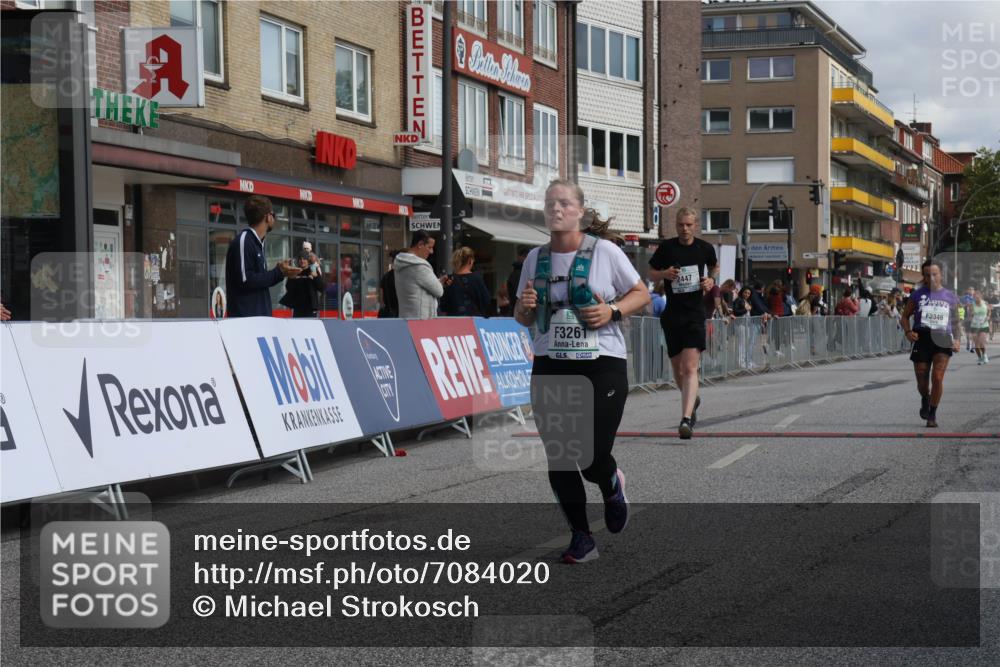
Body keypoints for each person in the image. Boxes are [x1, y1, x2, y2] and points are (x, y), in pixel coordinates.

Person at [515, 180, 650, 564]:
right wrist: (525, 306)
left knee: (589, 453)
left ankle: (611, 485)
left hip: (602, 364)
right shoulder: (534, 258)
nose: (556, 210)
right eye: (550, 204)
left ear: (579, 211)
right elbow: (523, 317)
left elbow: (640, 292)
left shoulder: (605, 252)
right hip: (550, 363)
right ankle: (582, 538)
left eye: (565, 203)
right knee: (558, 454)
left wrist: (613, 311)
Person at [648, 207, 719, 440]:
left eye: (689, 225)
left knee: (689, 368)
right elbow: (650, 273)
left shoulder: (704, 248)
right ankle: (693, 399)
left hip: (695, 315)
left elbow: (714, 265)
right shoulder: (666, 248)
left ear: (695, 225)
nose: (684, 229)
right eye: (681, 225)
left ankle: (686, 419)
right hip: (672, 315)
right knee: (677, 369)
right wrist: (664, 274)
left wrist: (710, 280)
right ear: (676, 225)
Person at [900, 259, 961, 428]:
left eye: (935, 274)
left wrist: (957, 340)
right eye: (927, 275)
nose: (931, 278)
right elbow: (904, 316)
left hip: (942, 338)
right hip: (922, 337)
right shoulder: (917, 295)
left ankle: (932, 414)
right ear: (924, 276)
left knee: (938, 377)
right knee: (922, 381)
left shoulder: (950, 296)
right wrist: (908, 332)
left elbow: (956, 322)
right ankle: (925, 398)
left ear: (941, 274)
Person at [225, 195, 300, 317]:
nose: (274, 219)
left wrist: (281, 273)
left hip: (259, 319)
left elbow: (258, 280)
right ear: (268, 217)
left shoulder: (257, 243)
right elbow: (246, 280)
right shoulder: (244, 241)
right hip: (246, 321)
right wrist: (278, 272)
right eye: (274, 215)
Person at [394, 231, 448, 319]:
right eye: (429, 247)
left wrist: (438, 281)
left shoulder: (402, 262)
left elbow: (418, 283)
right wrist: (439, 284)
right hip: (421, 319)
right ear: (420, 244)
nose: (431, 252)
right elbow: (439, 291)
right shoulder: (419, 266)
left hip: (406, 317)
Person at [440, 246, 491, 317]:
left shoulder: (449, 279)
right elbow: (486, 300)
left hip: (454, 321)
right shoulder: (476, 278)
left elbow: (443, 305)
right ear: (470, 261)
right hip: (473, 320)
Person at [279, 251, 326, 318]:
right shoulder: (295, 271)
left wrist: (315, 277)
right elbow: (289, 288)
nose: (302, 261)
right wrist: (291, 277)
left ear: (308, 260)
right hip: (298, 307)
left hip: (310, 308)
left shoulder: (312, 270)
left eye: (304, 259)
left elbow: (322, 287)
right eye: (300, 259)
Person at [506, 245, 531, 317]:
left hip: (517, 311)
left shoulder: (517, 273)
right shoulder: (519, 273)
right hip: (518, 312)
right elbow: (518, 296)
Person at [969, 290, 991, 364]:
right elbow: (970, 314)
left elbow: (989, 311)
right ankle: (980, 358)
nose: (976, 299)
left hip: (983, 325)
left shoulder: (985, 303)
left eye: (978, 297)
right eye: (975, 297)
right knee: (976, 345)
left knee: (981, 343)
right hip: (975, 326)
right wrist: (971, 316)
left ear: (981, 297)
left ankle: (984, 355)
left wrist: (988, 317)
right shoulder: (972, 304)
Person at [378, 249, 400, 318]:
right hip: (400, 313)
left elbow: (381, 297)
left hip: (388, 312)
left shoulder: (386, 276)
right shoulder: (402, 276)